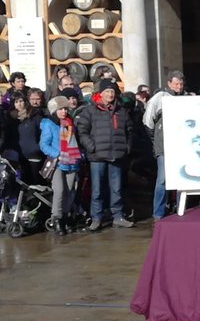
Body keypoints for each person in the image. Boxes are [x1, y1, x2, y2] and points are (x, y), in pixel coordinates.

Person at [76, 79, 134, 231]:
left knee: (117, 188)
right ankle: (96, 218)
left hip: (116, 155)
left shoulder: (121, 111)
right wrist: (91, 147)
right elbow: (82, 131)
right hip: (97, 156)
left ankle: (118, 216)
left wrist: (126, 147)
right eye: (107, 91)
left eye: (112, 91)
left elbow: (129, 130)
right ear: (100, 94)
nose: (110, 94)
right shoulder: (90, 110)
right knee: (97, 189)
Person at [143, 70, 185, 221]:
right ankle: (158, 213)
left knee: (182, 179)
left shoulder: (186, 98)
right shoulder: (159, 98)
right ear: (169, 83)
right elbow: (148, 122)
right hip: (164, 147)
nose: (179, 86)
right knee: (162, 180)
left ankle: (181, 209)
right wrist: (157, 140)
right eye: (176, 83)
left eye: (180, 83)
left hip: (182, 147)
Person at [39, 97, 82, 235]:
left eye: (65, 109)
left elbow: (74, 141)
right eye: (60, 109)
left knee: (70, 191)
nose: (63, 111)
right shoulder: (49, 124)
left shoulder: (70, 122)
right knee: (59, 191)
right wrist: (57, 154)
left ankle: (65, 216)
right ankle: (56, 218)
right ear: (54, 110)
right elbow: (44, 144)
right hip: (58, 162)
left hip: (72, 161)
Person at [4, 92, 45, 185]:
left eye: (21, 101)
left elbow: (43, 134)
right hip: (17, 157)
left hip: (33, 155)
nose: (19, 104)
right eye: (16, 102)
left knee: (36, 183)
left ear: (25, 102)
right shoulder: (10, 119)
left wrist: (37, 147)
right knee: (22, 185)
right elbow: (8, 138)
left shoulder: (35, 116)